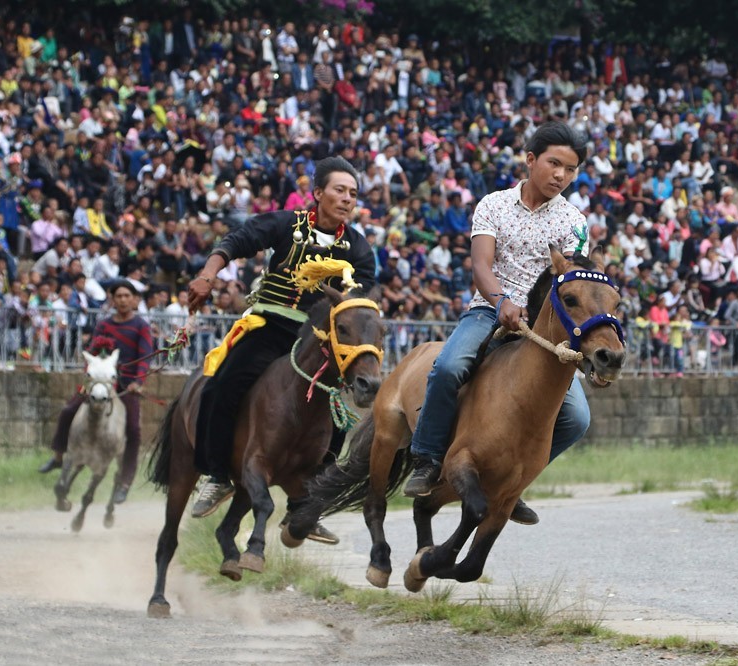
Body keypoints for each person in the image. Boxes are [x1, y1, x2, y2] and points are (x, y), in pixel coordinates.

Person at [402, 121, 591, 526]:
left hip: (541, 328)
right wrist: (502, 301)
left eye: (570, 169)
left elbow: (570, 283)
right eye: (554, 163)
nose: (561, 175)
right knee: (449, 367)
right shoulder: (494, 205)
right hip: (489, 309)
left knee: (578, 419)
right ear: (530, 159)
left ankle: (513, 484)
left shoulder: (575, 222)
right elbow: (481, 265)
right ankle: (427, 458)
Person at [188, 157, 376, 542]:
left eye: (353, 194)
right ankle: (217, 475)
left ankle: (302, 506)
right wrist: (208, 274)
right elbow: (234, 242)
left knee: (339, 414)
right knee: (220, 385)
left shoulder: (356, 246)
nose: (347, 199)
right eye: (339, 190)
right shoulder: (285, 224)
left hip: (317, 339)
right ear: (318, 193)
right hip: (270, 325)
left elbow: (363, 294)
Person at [38, 281, 152, 504]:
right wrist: (90, 374)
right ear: (112, 299)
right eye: (118, 296)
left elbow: (145, 357)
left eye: (126, 295)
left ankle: (125, 481)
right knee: (68, 409)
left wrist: (137, 382)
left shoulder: (141, 326)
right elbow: (91, 353)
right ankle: (59, 456)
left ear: (134, 299)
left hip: (126, 386)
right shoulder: (103, 325)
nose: (122, 300)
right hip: (98, 382)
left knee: (134, 431)